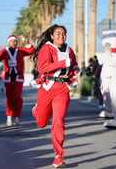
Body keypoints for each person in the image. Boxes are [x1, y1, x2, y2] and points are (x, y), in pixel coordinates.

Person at [31, 24, 80, 168]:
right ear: (52, 36)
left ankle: (58, 157)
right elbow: (43, 68)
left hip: (63, 90)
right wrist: (63, 62)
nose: (61, 36)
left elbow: (73, 64)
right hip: (47, 88)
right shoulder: (46, 48)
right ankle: (37, 110)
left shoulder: (69, 50)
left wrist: (76, 68)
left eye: (64, 33)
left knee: (58, 121)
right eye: (58, 33)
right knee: (41, 123)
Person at [0, 35, 34, 126]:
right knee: (9, 98)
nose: (14, 43)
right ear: (8, 42)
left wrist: (27, 42)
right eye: (11, 41)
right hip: (8, 79)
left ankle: (17, 117)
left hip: (18, 78)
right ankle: (9, 116)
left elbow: (31, 51)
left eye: (15, 41)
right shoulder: (4, 51)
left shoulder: (20, 51)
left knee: (17, 97)